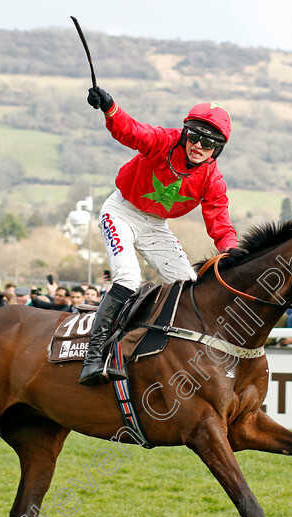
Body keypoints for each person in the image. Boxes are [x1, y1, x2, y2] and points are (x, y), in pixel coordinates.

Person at [80, 86, 239, 385]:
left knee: (190, 289)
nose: (199, 145)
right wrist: (110, 108)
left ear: (217, 150)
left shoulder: (213, 180)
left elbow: (220, 223)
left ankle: (169, 353)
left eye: (209, 142)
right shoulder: (163, 141)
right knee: (128, 279)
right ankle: (95, 355)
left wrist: (232, 251)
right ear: (184, 133)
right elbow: (132, 131)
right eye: (194, 136)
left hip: (156, 226)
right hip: (121, 212)